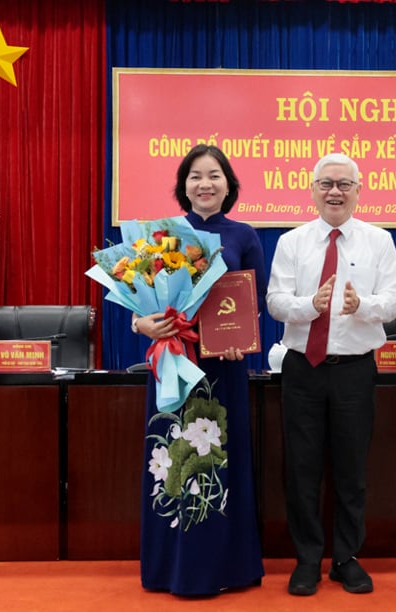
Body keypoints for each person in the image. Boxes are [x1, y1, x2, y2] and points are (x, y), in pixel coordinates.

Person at [266, 153, 396, 596]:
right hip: (302, 369)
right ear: (312, 190)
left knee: (351, 469)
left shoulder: (378, 240)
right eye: (326, 183)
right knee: (302, 469)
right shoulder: (292, 242)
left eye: (345, 184)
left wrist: (361, 305)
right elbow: (274, 301)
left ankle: (346, 558)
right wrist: (312, 305)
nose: (335, 192)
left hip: (355, 370)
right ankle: (307, 559)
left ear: (359, 191)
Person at [134, 144, 266, 595]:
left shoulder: (245, 235)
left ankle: (225, 568)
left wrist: (241, 339)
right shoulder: (161, 235)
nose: (204, 183)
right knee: (172, 459)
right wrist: (141, 322)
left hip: (223, 370)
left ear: (228, 185)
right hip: (173, 362)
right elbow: (139, 300)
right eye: (194, 175)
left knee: (218, 462)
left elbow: (255, 304)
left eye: (213, 175)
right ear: (182, 185)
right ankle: (169, 568)